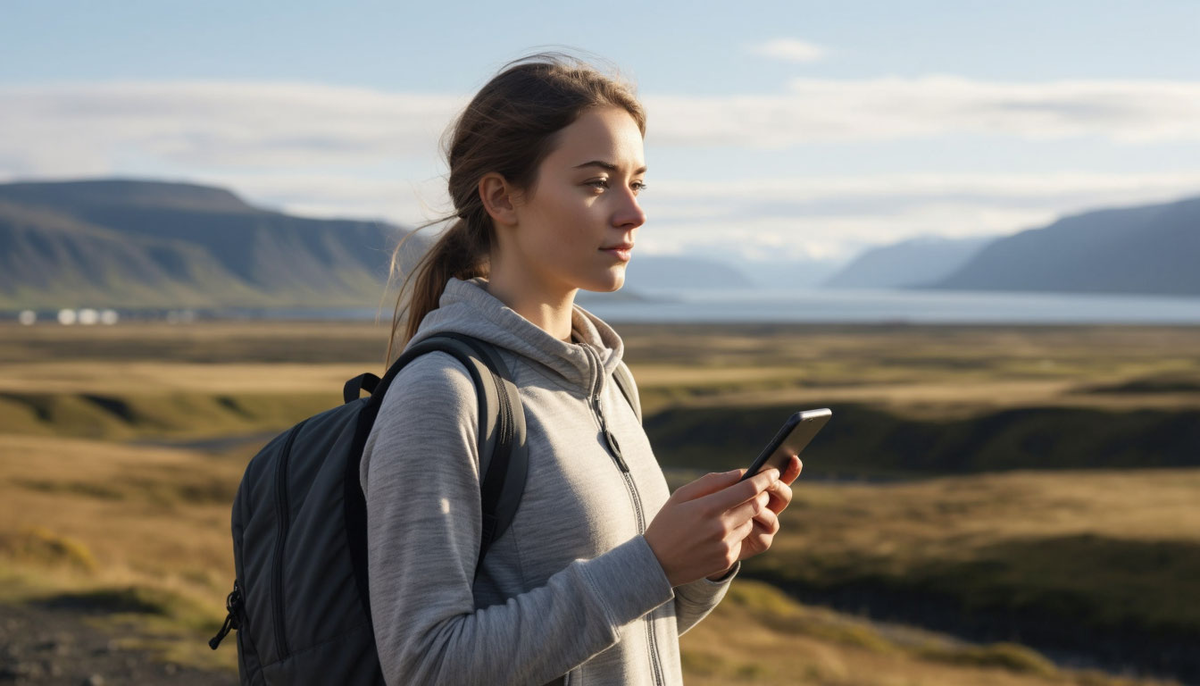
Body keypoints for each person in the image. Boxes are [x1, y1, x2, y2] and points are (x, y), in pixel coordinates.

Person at [360, 51, 804, 686]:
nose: (633, 213)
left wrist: (705, 561)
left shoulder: (610, 380)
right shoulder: (442, 395)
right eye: (597, 183)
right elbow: (426, 666)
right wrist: (652, 562)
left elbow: (620, 637)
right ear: (501, 197)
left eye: (637, 183)